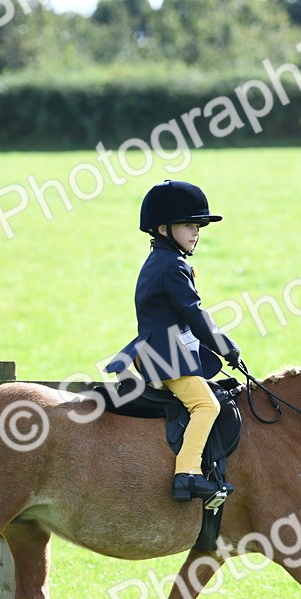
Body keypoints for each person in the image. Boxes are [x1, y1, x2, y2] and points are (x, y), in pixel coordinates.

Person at [106, 180, 242, 502]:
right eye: (188, 225)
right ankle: (188, 474)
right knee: (206, 405)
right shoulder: (172, 266)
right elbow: (194, 314)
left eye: (198, 227)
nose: (196, 233)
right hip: (164, 356)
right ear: (163, 229)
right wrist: (228, 348)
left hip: (163, 350)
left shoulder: (162, 261)